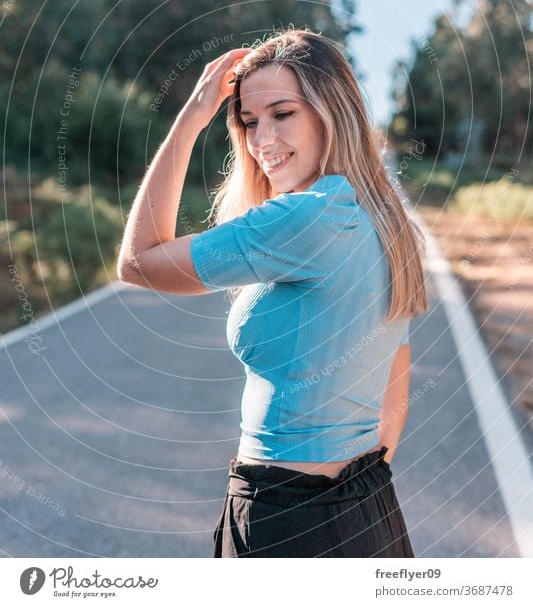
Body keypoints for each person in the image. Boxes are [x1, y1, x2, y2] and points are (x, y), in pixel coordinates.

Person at [117, 28, 429, 558]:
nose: (262, 141)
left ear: (332, 110)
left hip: (285, 514)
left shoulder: (307, 216)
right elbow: (394, 383)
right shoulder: (382, 215)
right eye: (249, 121)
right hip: (368, 503)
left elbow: (138, 261)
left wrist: (193, 114)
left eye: (283, 113)